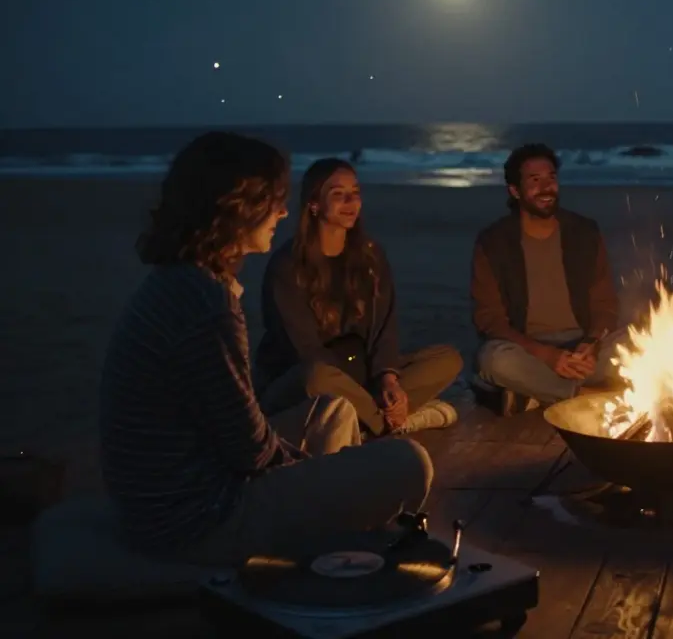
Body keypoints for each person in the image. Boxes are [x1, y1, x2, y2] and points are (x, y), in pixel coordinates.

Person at [99, 132, 434, 565]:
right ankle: (334, 539)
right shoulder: (206, 302)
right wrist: (307, 471)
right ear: (236, 209)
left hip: (192, 483)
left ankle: (333, 520)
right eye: (273, 200)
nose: (281, 211)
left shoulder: (184, 281)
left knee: (334, 410)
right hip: (195, 518)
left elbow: (238, 431)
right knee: (409, 463)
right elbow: (250, 450)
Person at [255, 158, 463, 437]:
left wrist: (388, 380)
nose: (351, 201)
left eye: (355, 192)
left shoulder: (370, 257)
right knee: (317, 375)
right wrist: (360, 387)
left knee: (448, 359)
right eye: (338, 194)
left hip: (362, 375)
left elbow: (384, 331)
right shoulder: (287, 267)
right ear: (314, 204)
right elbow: (303, 352)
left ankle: (373, 418)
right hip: (305, 380)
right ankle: (390, 424)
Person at [470, 143, 623, 412]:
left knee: (642, 339)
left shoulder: (584, 232)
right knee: (493, 360)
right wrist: (548, 355)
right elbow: (489, 318)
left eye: (551, 178)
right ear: (515, 191)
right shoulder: (493, 242)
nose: (546, 187)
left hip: (583, 348)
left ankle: (536, 394)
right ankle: (583, 394)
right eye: (535, 180)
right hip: (529, 351)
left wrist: (592, 343)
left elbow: (605, 303)